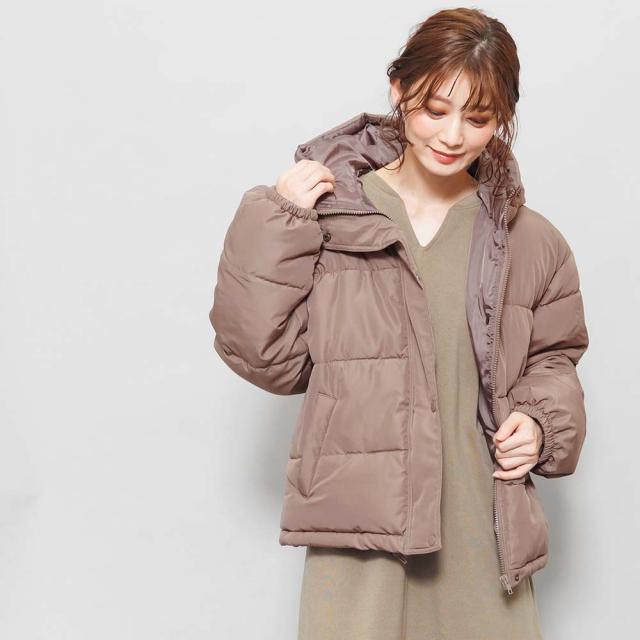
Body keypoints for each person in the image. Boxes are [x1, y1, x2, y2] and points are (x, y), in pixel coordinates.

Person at [208, 7, 589, 639]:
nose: (452, 135)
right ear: (398, 90)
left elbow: (555, 358)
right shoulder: (332, 217)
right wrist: (277, 223)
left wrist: (540, 420)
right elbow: (265, 357)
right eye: (435, 109)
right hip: (360, 531)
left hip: (482, 526)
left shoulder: (531, 241)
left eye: (479, 118)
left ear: (502, 119)